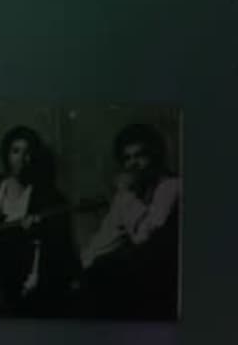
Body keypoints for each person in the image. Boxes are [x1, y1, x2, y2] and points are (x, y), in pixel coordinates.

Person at [73, 122, 181, 317]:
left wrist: (126, 195)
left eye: (140, 156)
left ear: (155, 156)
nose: (133, 164)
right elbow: (107, 235)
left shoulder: (171, 187)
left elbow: (144, 236)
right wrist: (83, 266)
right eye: (127, 158)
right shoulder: (129, 193)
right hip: (136, 278)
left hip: (162, 280)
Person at [0, 123, 68, 315]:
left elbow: (56, 247)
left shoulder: (48, 197)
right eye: (15, 151)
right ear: (6, 155)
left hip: (17, 271)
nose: (21, 159)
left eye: (28, 152)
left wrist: (38, 232)